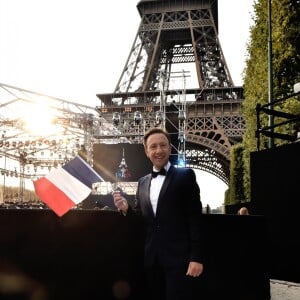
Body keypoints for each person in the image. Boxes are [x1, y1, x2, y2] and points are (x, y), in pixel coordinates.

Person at [112, 127, 205, 300]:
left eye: (163, 145)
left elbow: (195, 219)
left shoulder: (185, 176)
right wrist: (126, 209)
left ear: (170, 148)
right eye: (153, 147)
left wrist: (196, 258)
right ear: (147, 152)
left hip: (179, 261)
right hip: (152, 261)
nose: (158, 150)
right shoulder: (142, 182)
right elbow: (142, 220)